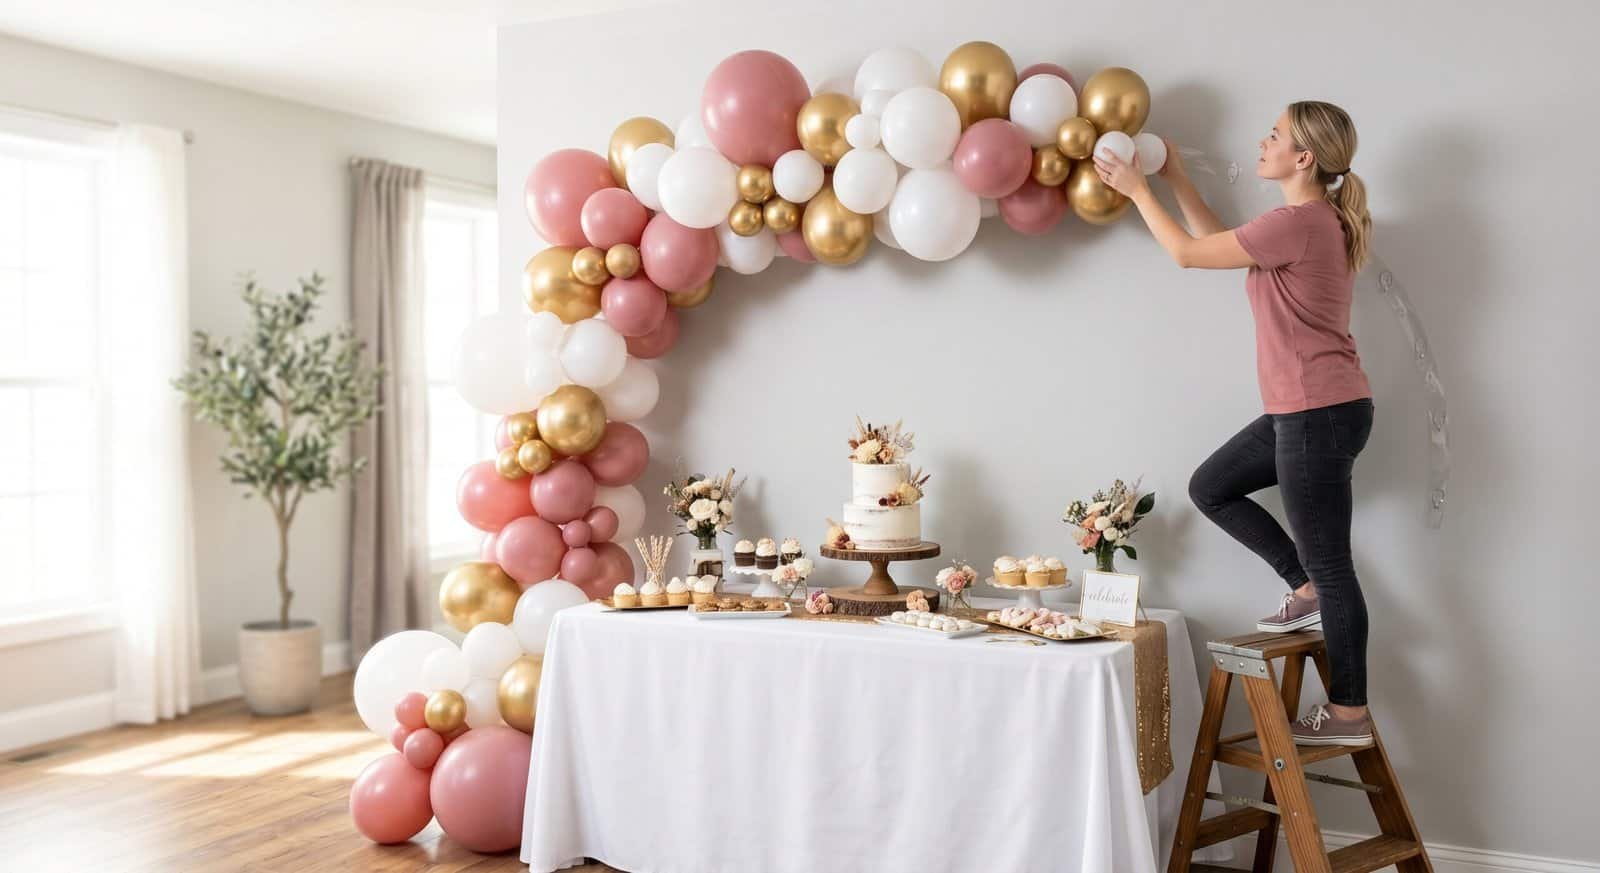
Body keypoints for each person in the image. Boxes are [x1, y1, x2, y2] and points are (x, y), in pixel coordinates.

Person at [1093, 101, 1377, 746]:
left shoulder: (1298, 222)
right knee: (1212, 486)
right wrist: (1177, 181)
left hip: (1317, 412)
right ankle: (1299, 586)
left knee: (1334, 567)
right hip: (1306, 409)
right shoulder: (1300, 224)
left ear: (1302, 158)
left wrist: (1138, 189)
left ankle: (1349, 714)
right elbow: (1219, 242)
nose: (1263, 140)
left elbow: (1188, 255)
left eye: (1274, 135)